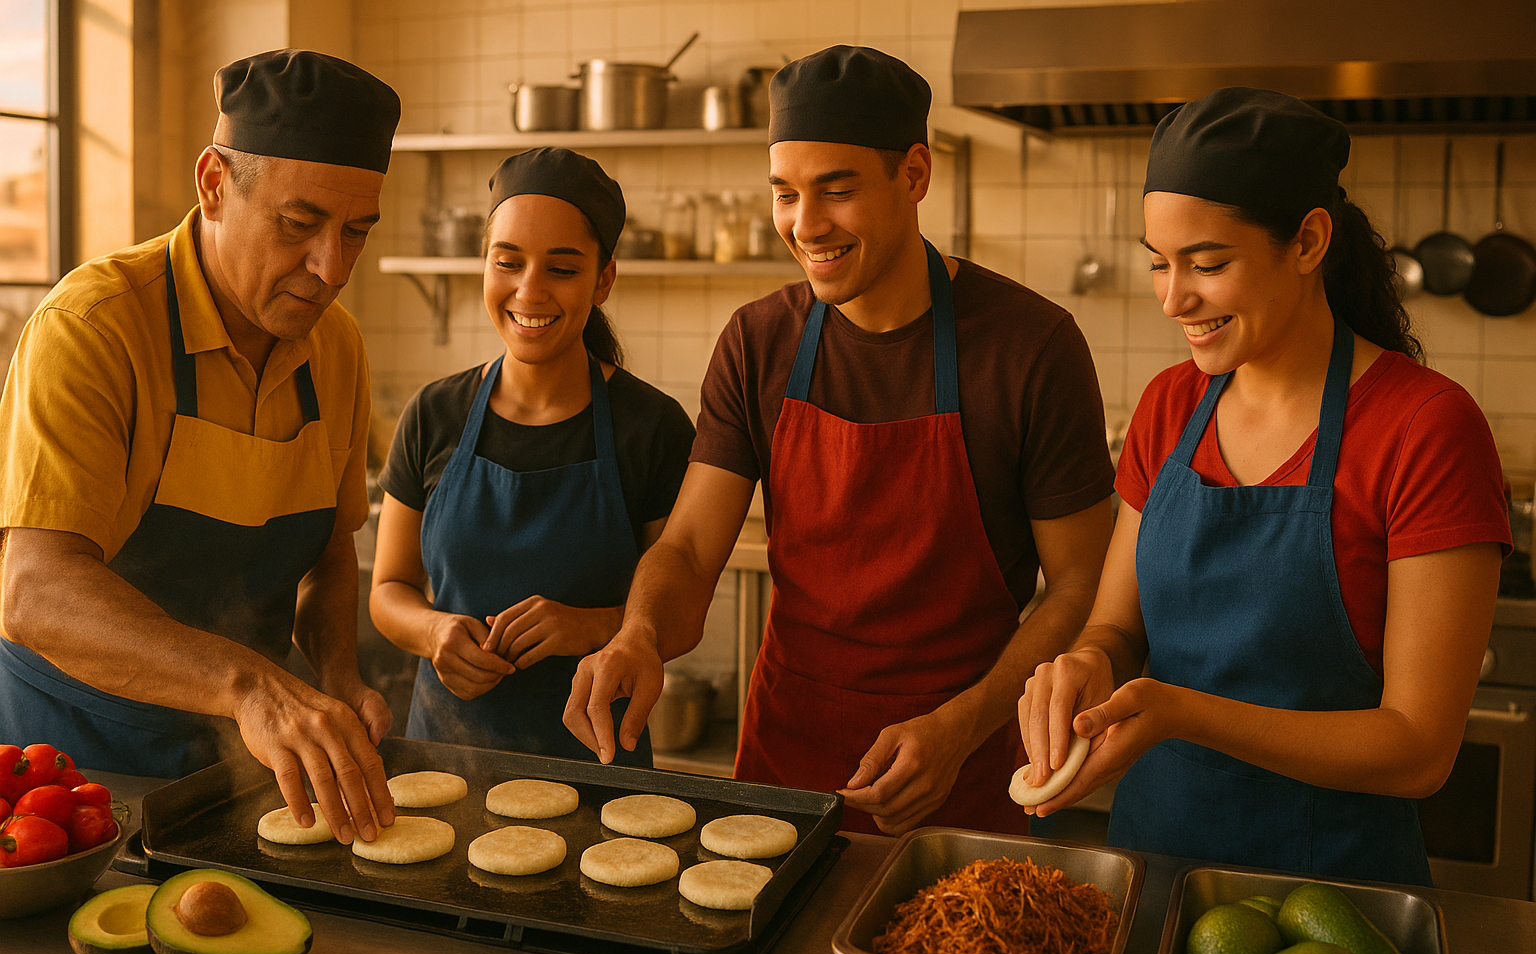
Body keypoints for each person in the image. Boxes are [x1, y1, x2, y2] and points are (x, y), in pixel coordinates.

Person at [566, 46, 1117, 835]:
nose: (805, 224)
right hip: (788, 768)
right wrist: (641, 634)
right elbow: (688, 548)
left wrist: (963, 728)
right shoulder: (759, 342)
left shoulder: (1030, 346)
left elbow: (1079, 587)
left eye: (838, 190)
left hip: (961, 765)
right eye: (785, 194)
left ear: (915, 175)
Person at [1017, 88, 1511, 885]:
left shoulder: (1426, 428)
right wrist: (1086, 666)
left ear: (1310, 239)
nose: (1174, 298)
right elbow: (1116, 628)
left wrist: (1182, 712)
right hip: (1150, 871)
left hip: (1331, 905)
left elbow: (1419, 749)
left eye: (1207, 264)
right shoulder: (1168, 407)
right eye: (1158, 262)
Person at [0, 50, 401, 844]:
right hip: (75, 769)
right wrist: (251, 684)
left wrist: (337, 675)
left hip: (243, 768)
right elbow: (34, 590)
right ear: (214, 184)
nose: (330, 269)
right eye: (299, 225)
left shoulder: (337, 348)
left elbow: (330, 548)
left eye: (355, 233)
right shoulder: (96, 329)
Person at [369, 148, 694, 763]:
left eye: (562, 270)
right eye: (508, 262)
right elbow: (388, 588)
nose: (529, 290)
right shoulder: (433, 415)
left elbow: (683, 614)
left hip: (599, 774)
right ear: (485, 266)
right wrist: (434, 630)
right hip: (445, 766)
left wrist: (595, 627)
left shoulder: (651, 427)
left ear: (603, 280)